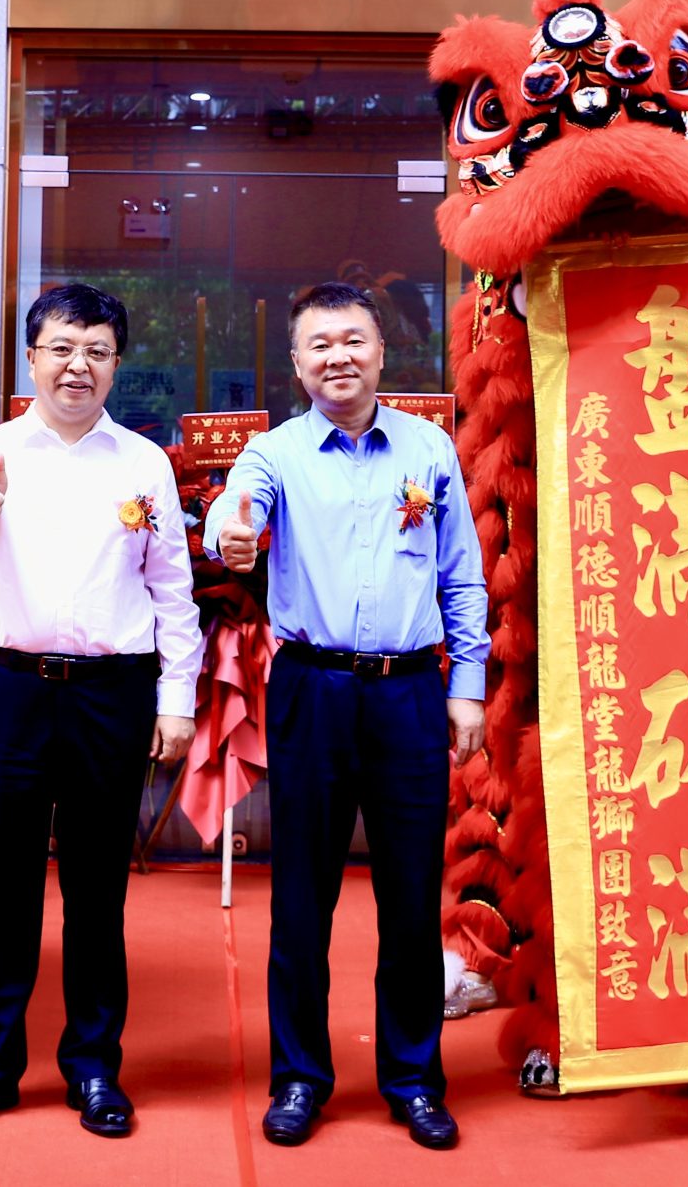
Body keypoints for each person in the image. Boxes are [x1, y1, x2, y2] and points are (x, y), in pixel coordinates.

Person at [205, 281, 486, 1151]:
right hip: (313, 689)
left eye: (353, 339)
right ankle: (299, 1076)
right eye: (319, 344)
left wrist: (468, 681)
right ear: (297, 363)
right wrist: (231, 534)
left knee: (409, 895)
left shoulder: (429, 447)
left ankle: (414, 1077)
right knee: (301, 898)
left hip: (408, 690)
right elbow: (233, 511)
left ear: (380, 350)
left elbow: (462, 573)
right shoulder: (275, 452)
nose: (338, 356)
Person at [0, 282, 201, 1139]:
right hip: (8, 689)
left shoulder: (144, 464)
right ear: (31, 357)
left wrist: (178, 700)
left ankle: (93, 1066)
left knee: (96, 890)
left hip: (110, 695)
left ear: (116, 363)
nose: (77, 365)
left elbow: (173, 592)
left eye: (96, 350)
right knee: (3, 889)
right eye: (61, 348)